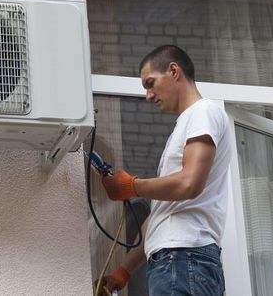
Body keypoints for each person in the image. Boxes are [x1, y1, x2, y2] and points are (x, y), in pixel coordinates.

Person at [98, 45, 231, 296]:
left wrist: (131, 186)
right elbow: (162, 213)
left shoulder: (203, 112)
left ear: (173, 71)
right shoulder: (188, 124)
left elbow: (189, 183)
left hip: (183, 259)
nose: (148, 95)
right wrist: (124, 271)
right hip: (181, 261)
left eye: (150, 83)